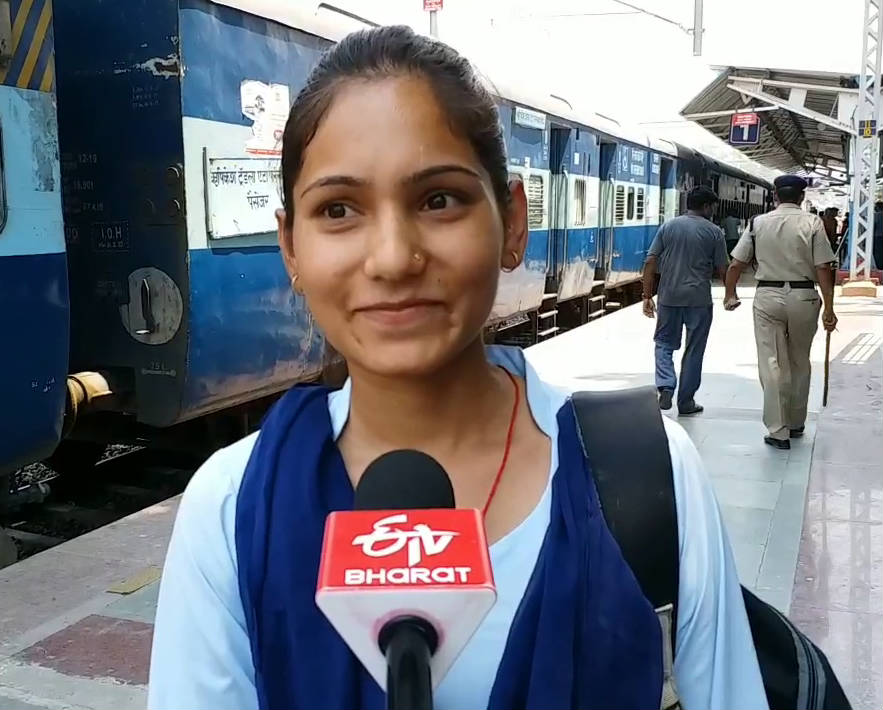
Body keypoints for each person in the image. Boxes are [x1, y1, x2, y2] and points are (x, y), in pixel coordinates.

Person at [148, 26, 767, 710]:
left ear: (512, 222)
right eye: (338, 210)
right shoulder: (232, 509)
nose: (391, 257)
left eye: (438, 199)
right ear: (290, 247)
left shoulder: (647, 476)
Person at [724, 175, 837, 450]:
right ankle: (797, 423)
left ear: (775, 195)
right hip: (804, 296)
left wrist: (730, 293)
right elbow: (823, 267)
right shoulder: (813, 223)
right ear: (802, 197)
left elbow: (736, 263)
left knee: (772, 362)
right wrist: (830, 308)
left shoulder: (758, 223)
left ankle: (778, 430)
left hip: (768, 296)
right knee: (800, 360)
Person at [641, 186, 729, 416]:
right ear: (708, 206)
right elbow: (723, 268)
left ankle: (666, 385)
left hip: (669, 297)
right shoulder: (714, 232)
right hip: (699, 299)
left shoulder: (668, 226)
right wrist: (730, 294)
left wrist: (647, 295)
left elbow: (650, 261)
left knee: (663, 344)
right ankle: (686, 401)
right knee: (694, 349)